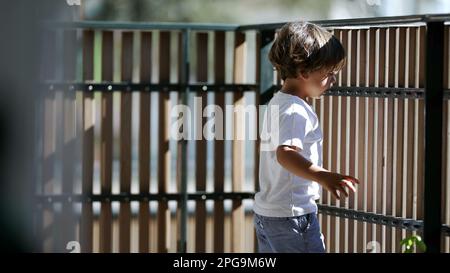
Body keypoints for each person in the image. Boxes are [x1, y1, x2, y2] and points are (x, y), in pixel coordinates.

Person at [253, 21, 360, 253]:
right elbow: (285, 154)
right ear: (304, 72)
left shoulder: (277, 102)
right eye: (329, 74)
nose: (333, 81)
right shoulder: (294, 110)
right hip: (292, 216)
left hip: (268, 213)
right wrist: (324, 177)